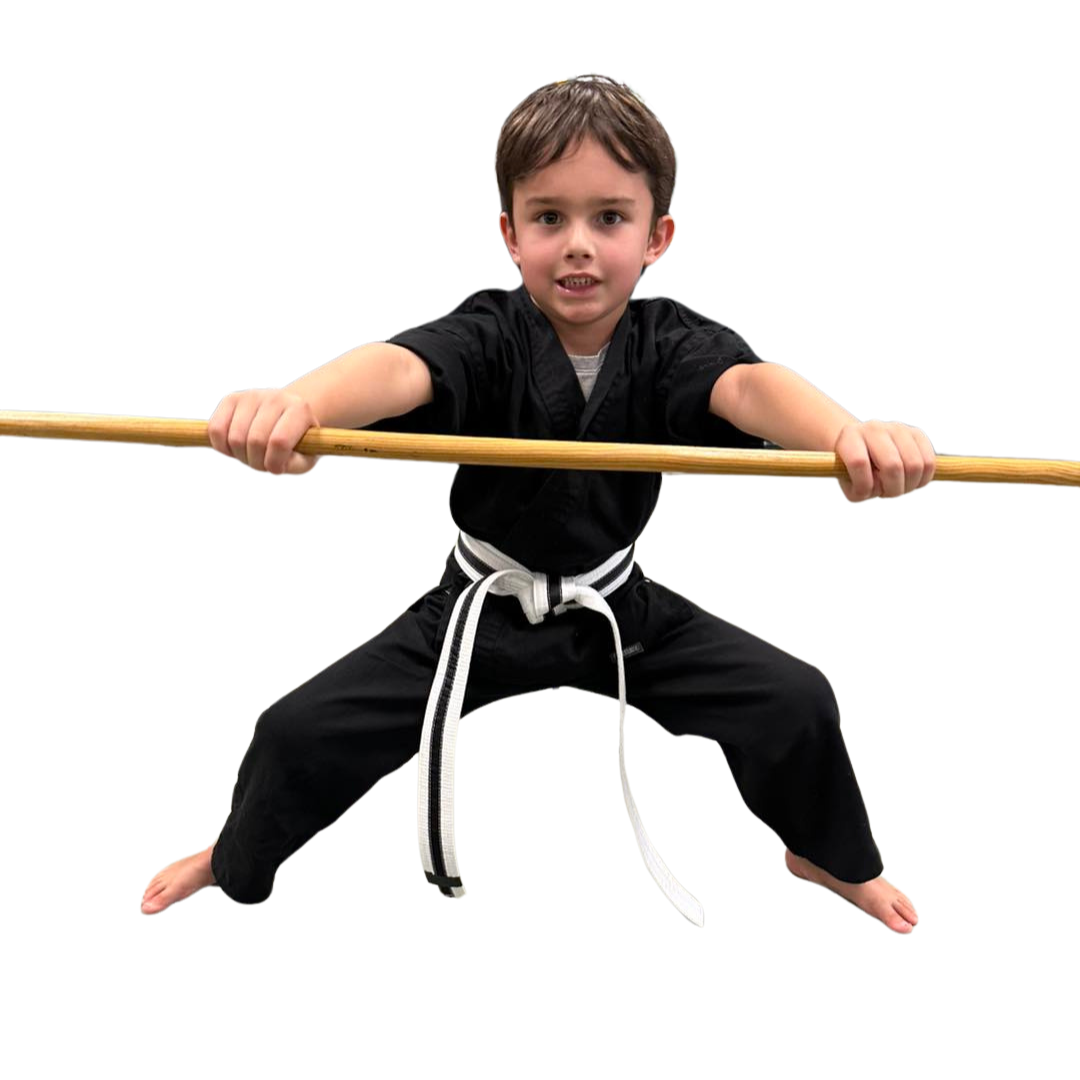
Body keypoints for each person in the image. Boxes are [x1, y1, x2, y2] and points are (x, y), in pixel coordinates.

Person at [141, 73, 930, 933]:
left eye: (609, 218)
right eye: (550, 218)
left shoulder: (671, 341)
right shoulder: (486, 331)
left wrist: (848, 434)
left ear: (658, 236)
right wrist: (298, 405)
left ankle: (823, 853)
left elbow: (750, 386)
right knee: (292, 730)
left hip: (618, 607)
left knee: (799, 698)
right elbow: (399, 366)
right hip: (479, 609)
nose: (579, 246)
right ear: (512, 235)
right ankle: (233, 855)